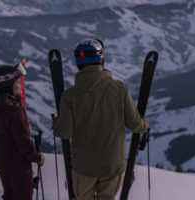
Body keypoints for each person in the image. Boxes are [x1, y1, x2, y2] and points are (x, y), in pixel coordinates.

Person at [54, 39, 149, 200]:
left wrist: (56, 122)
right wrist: (145, 123)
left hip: (83, 166)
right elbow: (136, 125)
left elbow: (64, 132)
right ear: (101, 59)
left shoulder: (70, 95)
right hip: (112, 163)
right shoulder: (119, 89)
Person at [0, 64, 45, 200]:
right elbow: (23, 144)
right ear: (8, 86)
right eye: (18, 82)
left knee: (9, 196)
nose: (20, 85)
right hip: (18, 166)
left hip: (2, 162)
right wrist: (37, 157)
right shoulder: (14, 111)